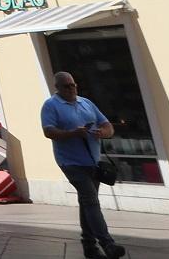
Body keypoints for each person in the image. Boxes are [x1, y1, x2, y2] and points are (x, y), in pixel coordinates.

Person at [42, 70, 126, 259]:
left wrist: (101, 133)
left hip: (92, 161)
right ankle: (108, 244)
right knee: (90, 200)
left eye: (73, 85)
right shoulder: (51, 106)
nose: (71, 88)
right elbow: (48, 132)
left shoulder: (86, 103)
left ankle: (89, 246)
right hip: (70, 161)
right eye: (66, 86)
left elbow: (108, 126)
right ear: (57, 88)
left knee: (86, 203)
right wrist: (72, 133)